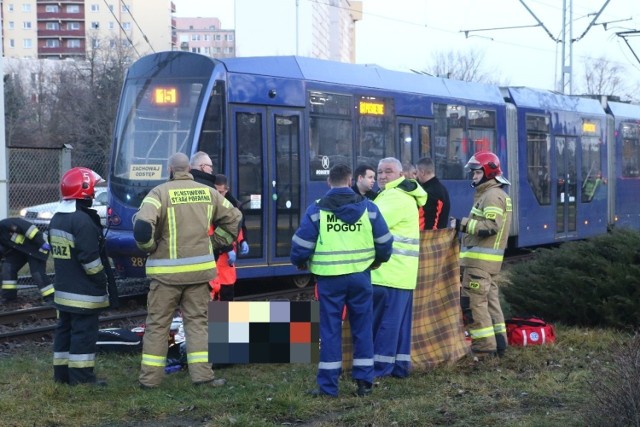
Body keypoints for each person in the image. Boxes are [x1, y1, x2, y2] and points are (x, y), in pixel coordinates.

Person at [134, 152, 242, 389]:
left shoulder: (158, 194)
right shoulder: (209, 193)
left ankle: (149, 381)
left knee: (158, 326)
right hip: (199, 274)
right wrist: (215, 244)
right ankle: (203, 377)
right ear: (189, 170)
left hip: (165, 277)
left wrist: (150, 247)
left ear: (170, 169)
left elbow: (142, 226)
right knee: (197, 324)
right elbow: (235, 217)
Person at [291, 163, 393, 397]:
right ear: (349, 181)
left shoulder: (316, 210)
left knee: (329, 330)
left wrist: (300, 261)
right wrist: (377, 261)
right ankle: (365, 383)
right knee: (362, 328)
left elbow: (301, 245)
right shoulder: (369, 208)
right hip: (360, 277)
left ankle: (328, 387)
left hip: (329, 280)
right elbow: (385, 243)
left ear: (329, 182)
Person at [49, 167, 111, 385]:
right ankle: (82, 379)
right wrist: (101, 280)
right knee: (83, 336)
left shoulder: (57, 218)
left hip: (64, 290)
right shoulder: (82, 221)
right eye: (93, 188)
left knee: (64, 332)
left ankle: (62, 376)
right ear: (84, 189)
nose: (94, 193)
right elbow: (89, 259)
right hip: (83, 293)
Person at [450, 151, 512, 359]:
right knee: (491, 303)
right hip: (486, 264)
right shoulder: (493, 194)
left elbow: (492, 226)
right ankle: (499, 344)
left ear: (488, 172)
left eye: (476, 173)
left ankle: (484, 350)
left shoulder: (492, 195)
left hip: (479, 263)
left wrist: (461, 224)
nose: (473, 177)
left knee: (473, 304)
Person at [370, 157, 427, 378]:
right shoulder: (402, 195)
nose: (382, 176)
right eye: (379, 172)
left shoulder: (393, 197)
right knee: (399, 327)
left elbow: (370, 224)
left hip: (387, 273)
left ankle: (380, 370)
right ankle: (399, 368)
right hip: (401, 274)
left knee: (385, 326)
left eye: (388, 172)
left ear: (401, 174)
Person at [210, 174, 249, 301]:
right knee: (213, 293)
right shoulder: (211, 206)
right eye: (215, 190)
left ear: (227, 190)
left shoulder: (235, 206)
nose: (217, 194)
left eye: (220, 191)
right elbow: (214, 231)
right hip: (216, 256)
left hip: (225, 261)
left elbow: (240, 227)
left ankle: (221, 319)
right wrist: (228, 249)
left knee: (226, 292)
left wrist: (243, 241)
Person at [0, 217, 53, 303]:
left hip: (37, 247)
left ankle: (50, 298)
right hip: (21, 251)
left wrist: (42, 243)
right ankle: (9, 298)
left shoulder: (6, 224)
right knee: (8, 268)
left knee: (37, 273)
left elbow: (29, 229)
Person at [415, 157, 451, 230]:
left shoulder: (430, 193)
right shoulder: (441, 188)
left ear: (422, 172)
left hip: (429, 238)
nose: (416, 176)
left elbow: (429, 222)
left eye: (417, 172)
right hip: (437, 237)